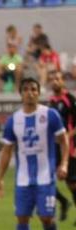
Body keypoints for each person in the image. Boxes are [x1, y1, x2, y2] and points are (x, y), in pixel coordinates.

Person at [0, 77, 69, 230]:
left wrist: (64, 164)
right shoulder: (14, 120)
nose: (30, 92)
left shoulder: (50, 115)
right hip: (23, 179)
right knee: (21, 217)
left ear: (39, 92)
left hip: (46, 177)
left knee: (46, 218)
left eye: (34, 89)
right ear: (20, 94)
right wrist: (0, 179)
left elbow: (63, 140)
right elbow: (6, 151)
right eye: (26, 89)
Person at [49, 71, 76, 222]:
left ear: (63, 82)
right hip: (54, 147)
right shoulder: (51, 101)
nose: (54, 81)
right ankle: (63, 202)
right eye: (52, 79)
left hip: (69, 147)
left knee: (71, 183)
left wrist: (67, 137)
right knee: (45, 179)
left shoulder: (70, 99)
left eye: (57, 79)